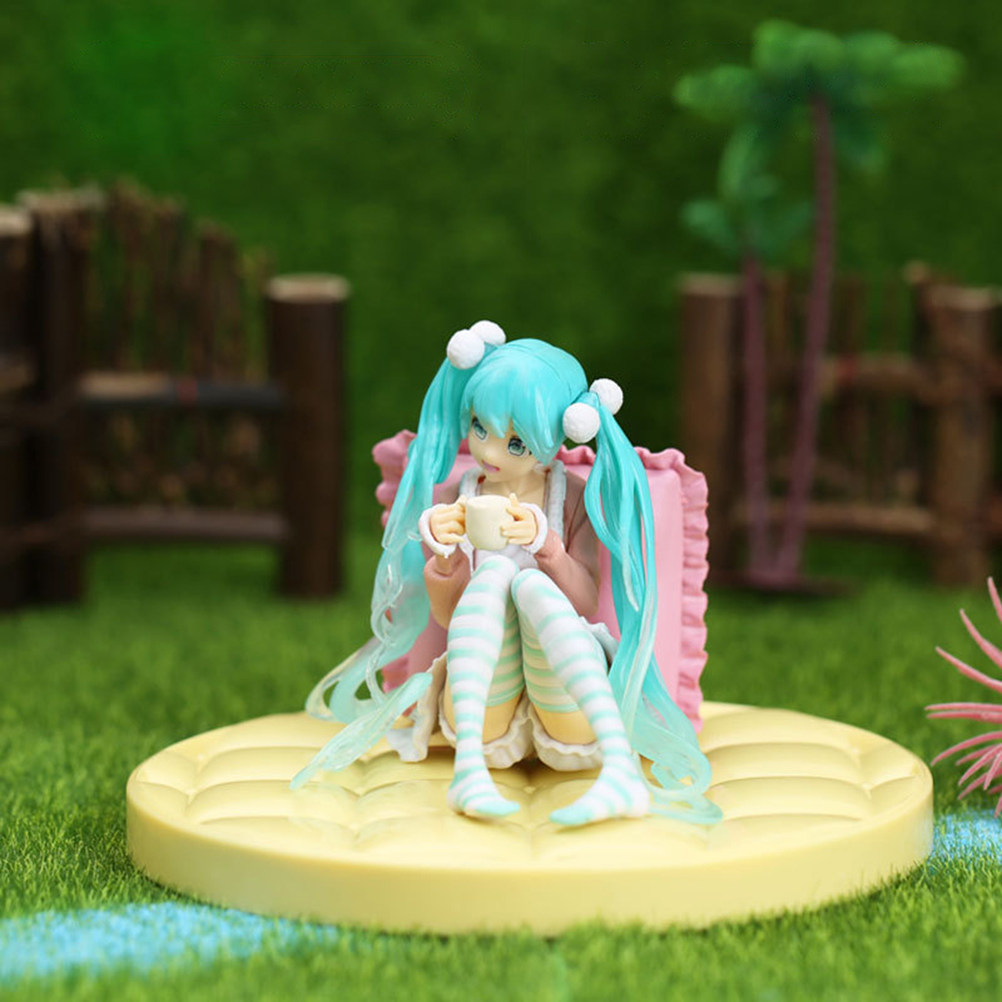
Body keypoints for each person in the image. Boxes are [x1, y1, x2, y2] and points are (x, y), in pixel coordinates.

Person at [292, 321, 720, 828]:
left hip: (565, 698)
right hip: (483, 703)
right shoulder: (458, 498)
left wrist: (547, 547)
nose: (489, 452)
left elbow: (584, 601)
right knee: (494, 575)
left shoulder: (572, 496)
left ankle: (619, 773)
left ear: (558, 437)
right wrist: (445, 559)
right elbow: (449, 617)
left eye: (516, 444)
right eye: (479, 428)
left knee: (528, 582)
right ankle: (470, 771)